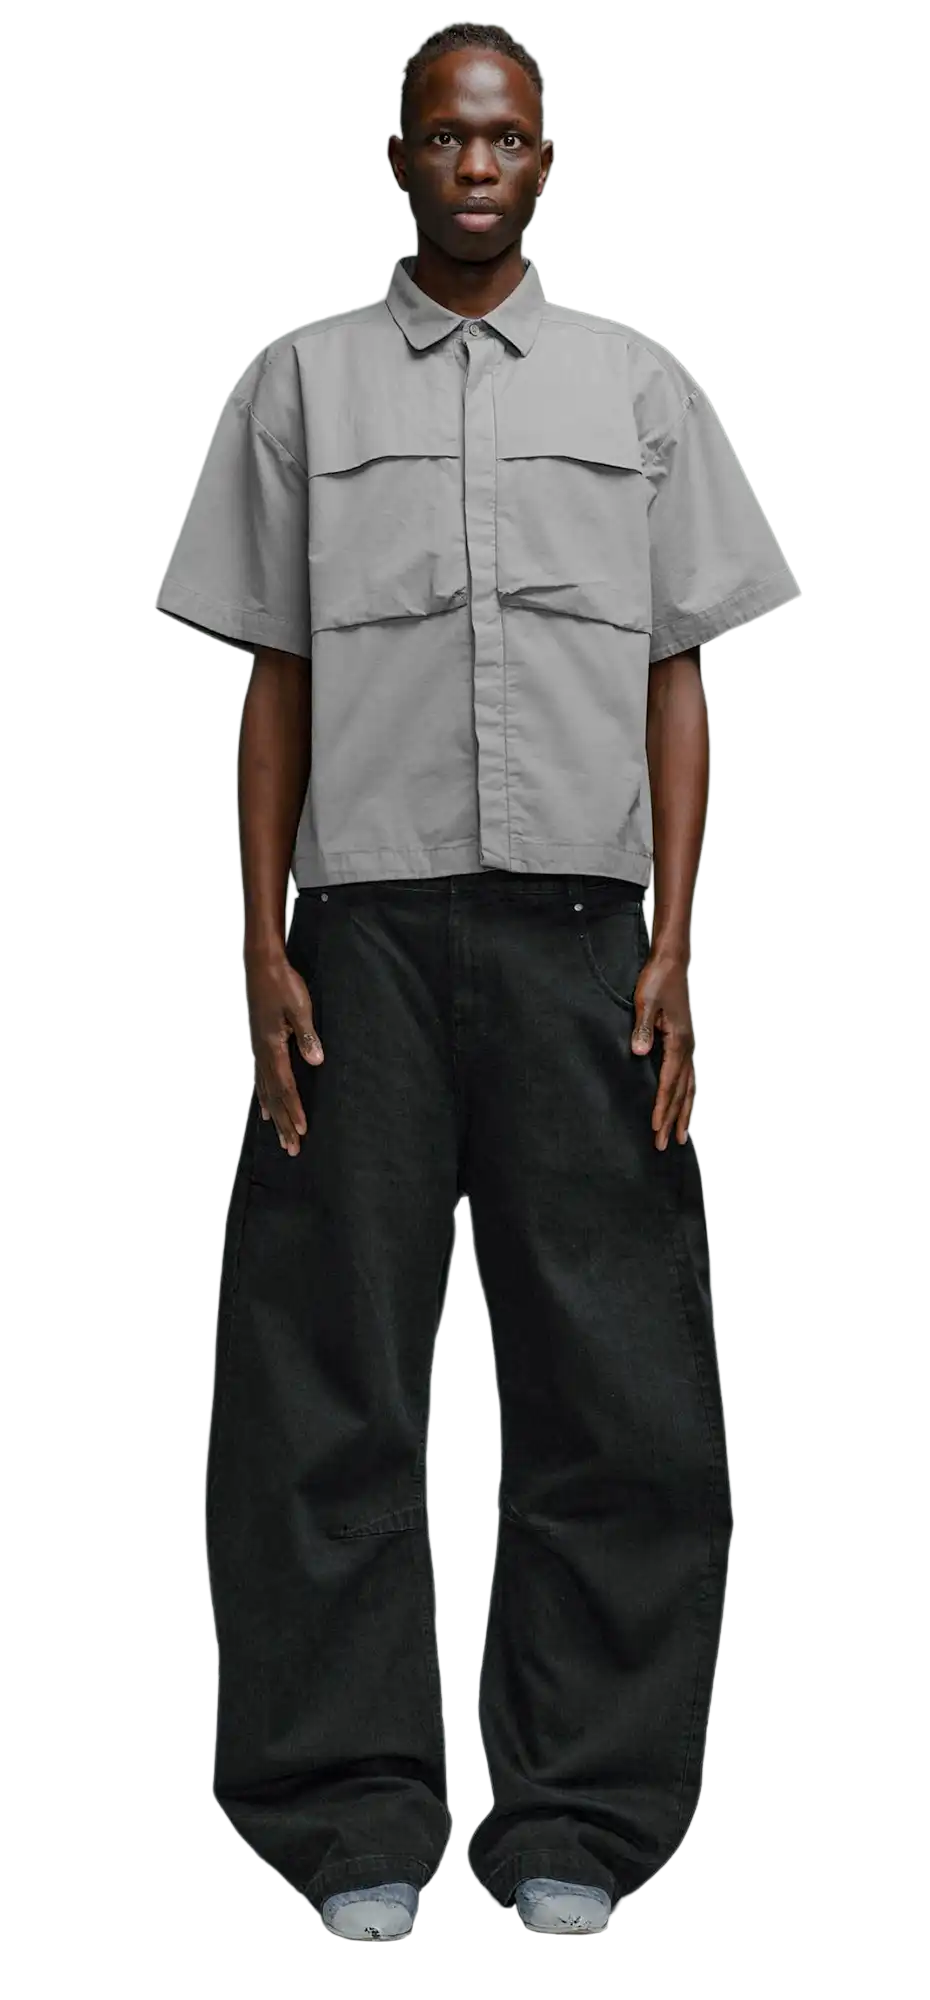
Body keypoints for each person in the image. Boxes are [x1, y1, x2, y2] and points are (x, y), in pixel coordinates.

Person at [154, 21, 802, 1944]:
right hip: (358, 940)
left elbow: (680, 675)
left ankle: (576, 1818)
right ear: (396, 157)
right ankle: (345, 1813)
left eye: (504, 137)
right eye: (444, 135)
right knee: (319, 1381)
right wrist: (261, 946)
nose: (474, 164)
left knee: (616, 1387)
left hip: (583, 946)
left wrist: (676, 943)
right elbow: (273, 677)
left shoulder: (637, 387)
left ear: (545, 160)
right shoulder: (298, 381)